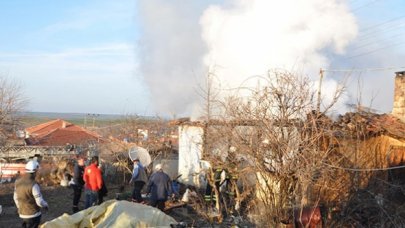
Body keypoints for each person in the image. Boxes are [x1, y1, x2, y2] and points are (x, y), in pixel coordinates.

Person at [13, 160, 48, 228]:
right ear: (35, 171)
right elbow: (39, 202)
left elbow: (15, 197)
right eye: (37, 171)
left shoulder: (17, 182)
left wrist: (19, 207)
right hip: (33, 214)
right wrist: (46, 205)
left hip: (22, 214)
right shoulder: (34, 185)